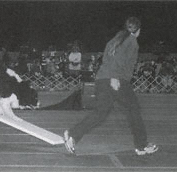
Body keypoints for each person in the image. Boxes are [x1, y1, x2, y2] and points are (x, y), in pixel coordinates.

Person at [63, 17, 158, 156]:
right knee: (134, 110)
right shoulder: (131, 41)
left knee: (100, 113)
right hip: (116, 81)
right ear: (138, 30)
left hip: (102, 79)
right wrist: (114, 77)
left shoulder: (115, 39)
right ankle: (142, 145)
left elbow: (107, 58)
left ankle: (73, 134)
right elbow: (118, 60)